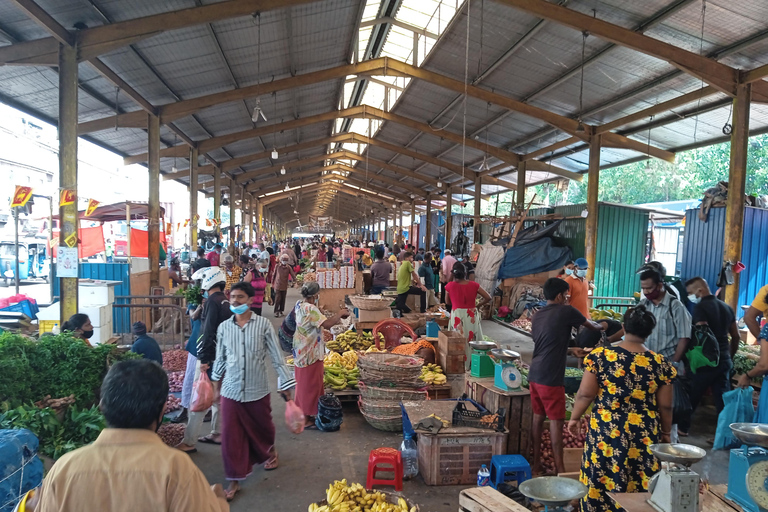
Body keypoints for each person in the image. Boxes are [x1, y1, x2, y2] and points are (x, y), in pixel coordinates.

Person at [36, 359, 229, 512]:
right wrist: (218, 503)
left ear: (102, 406)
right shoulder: (177, 470)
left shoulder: (63, 469)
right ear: (163, 410)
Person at [568, 306, 676, 511]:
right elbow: (666, 405)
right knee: (640, 477)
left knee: (601, 474)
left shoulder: (601, 357)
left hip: (607, 430)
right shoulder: (661, 363)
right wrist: (666, 432)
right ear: (649, 332)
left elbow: (585, 394)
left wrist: (574, 418)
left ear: (624, 327)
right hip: (644, 433)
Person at [211, 282, 295, 501]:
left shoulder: (264, 325)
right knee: (231, 436)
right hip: (231, 391)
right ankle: (234, 479)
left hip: (257, 390)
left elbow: (277, 357)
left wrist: (286, 387)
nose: (235, 301)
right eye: (233, 297)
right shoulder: (224, 328)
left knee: (264, 429)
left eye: (240, 297)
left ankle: (270, 451)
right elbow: (220, 360)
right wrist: (215, 386)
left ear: (250, 300)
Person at [530, 278, 602, 476]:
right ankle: (561, 470)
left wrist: (571, 351)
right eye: (567, 295)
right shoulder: (567, 311)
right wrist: (605, 325)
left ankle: (535, 465)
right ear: (561, 295)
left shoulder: (536, 316)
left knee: (537, 419)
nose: (568, 298)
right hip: (551, 377)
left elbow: (548, 343)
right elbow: (592, 327)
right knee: (556, 422)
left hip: (534, 374)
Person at [177, 267, 231, 453]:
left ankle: (189, 441)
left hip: (212, 357)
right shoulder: (225, 301)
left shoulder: (212, 303)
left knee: (199, 397)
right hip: (224, 357)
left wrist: (204, 359)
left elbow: (207, 333)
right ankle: (217, 433)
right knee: (217, 398)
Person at [680, 277, 740, 436]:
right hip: (724, 360)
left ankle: (683, 428)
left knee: (691, 395)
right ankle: (725, 435)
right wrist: (729, 357)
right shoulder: (727, 308)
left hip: (704, 361)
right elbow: (736, 336)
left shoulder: (700, 308)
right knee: (722, 401)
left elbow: (701, 334)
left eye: (690, 293)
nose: (690, 296)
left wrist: (687, 360)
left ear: (700, 291)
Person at [293, 282, 350, 427]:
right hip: (310, 352)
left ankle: (304, 414)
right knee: (309, 385)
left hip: (301, 349)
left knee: (303, 384)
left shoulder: (299, 304)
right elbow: (327, 325)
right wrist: (340, 314)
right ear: (316, 295)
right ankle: (305, 419)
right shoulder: (311, 309)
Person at [445, 264, 492, 369]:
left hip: (457, 315)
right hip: (471, 315)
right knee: (473, 339)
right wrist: (477, 305)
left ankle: (458, 365)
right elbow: (488, 297)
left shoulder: (450, 286)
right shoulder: (474, 285)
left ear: (453, 273)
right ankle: (474, 365)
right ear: (465, 273)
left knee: (457, 339)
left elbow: (447, 302)